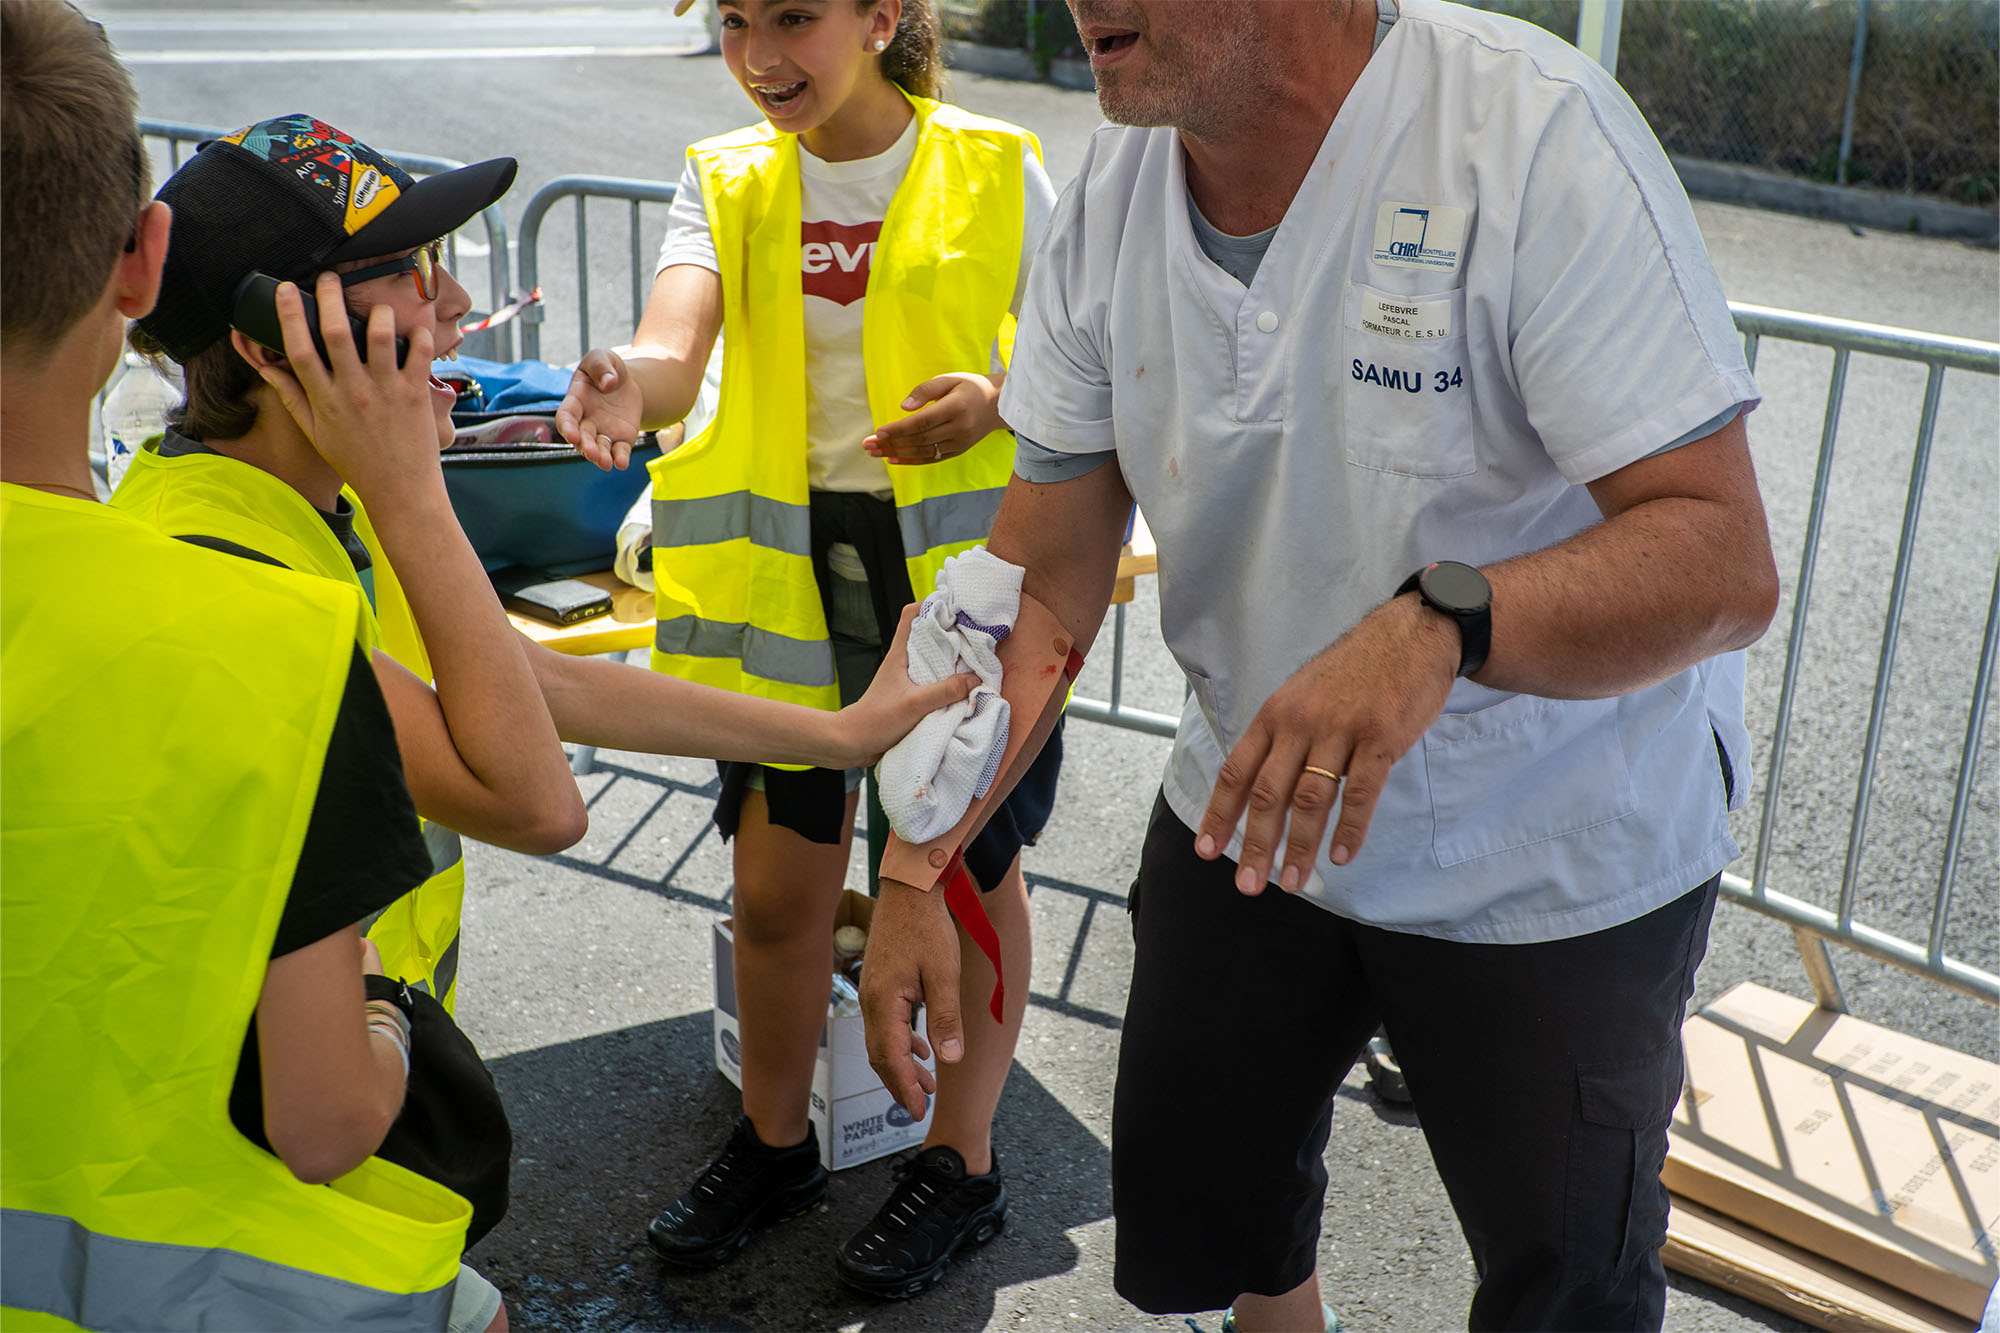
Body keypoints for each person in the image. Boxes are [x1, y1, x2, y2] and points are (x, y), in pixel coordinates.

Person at [860, 2, 1782, 1331]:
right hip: (1254, 800)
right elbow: (1042, 586)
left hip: (1550, 842)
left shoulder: (1527, 131)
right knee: (1211, 1207)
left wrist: (1440, 622)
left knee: (1563, 1284)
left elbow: (1719, 559)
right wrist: (917, 863)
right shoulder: (1114, 198)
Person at [112, 115, 977, 1026]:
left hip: (377, 1037)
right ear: (271, 340)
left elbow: (523, 680)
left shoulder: (312, 499)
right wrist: (411, 494)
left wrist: (842, 736)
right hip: (290, 1081)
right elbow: (537, 806)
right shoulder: (222, 564)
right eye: (411, 272)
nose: (455, 300)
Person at [556, 0, 1064, 1296]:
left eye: (794, 16)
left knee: (963, 874)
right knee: (780, 889)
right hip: (786, 581)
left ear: (881, 17)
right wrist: (626, 379)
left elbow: (1091, 364)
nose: (760, 55)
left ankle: (961, 1162)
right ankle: (774, 1144)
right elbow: (675, 352)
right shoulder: (724, 177)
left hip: (954, 587)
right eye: (735, 20)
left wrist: (998, 400)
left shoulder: (998, 166)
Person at [0, 5, 492, 1328]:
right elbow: (326, 1118)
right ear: (140, 257)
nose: (447, 300)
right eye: (408, 269)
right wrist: (383, 1007)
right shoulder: (253, 634)